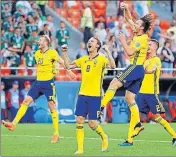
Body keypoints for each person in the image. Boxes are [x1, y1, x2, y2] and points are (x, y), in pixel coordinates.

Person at [2, 35, 76, 144]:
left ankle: (56, 133)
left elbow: (61, 62)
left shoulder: (52, 52)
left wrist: (68, 71)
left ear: (46, 42)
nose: (39, 41)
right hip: (38, 82)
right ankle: (13, 124)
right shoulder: (37, 54)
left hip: (48, 83)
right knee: (26, 101)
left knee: (51, 105)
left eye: (41, 40)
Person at [98, 2, 152, 146]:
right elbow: (128, 19)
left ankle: (100, 106)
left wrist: (122, 41)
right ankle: (132, 135)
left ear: (142, 27)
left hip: (135, 67)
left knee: (114, 83)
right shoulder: (137, 31)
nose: (135, 23)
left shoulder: (142, 39)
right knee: (129, 99)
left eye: (138, 23)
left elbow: (129, 52)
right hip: (138, 71)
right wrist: (126, 9)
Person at [62, 37, 116, 154]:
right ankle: (80, 149)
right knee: (79, 120)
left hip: (95, 96)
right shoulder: (83, 59)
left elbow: (113, 66)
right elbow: (68, 66)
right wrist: (65, 53)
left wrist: (107, 52)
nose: (89, 42)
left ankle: (104, 137)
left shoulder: (101, 58)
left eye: (92, 41)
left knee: (92, 124)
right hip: (82, 95)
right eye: (89, 41)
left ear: (97, 45)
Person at [136, 39, 176, 146]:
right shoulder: (146, 60)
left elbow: (151, 71)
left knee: (156, 117)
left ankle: (175, 136)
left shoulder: (157, 60)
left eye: (150, 45)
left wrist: (143, 70)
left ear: (154, 47)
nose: (147, 46)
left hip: (151, 93)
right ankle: (129, 139)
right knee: (135, 113)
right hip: (142, 92)